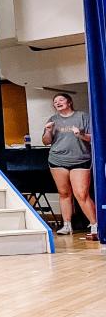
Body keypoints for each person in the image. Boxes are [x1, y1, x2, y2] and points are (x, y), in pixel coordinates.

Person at [43, 93, 97, 238]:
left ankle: (95, 225)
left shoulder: (82, 116)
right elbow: (46, 141)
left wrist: (80, 135)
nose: (58, 103)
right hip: (57, 160)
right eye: (55, 102)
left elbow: (93, 137)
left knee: (81, 194)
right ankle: (67, 225)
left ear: (69, 102)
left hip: (80, 159)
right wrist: (48, 131)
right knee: (64, 193)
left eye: (61, 100)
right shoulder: (53, 120)